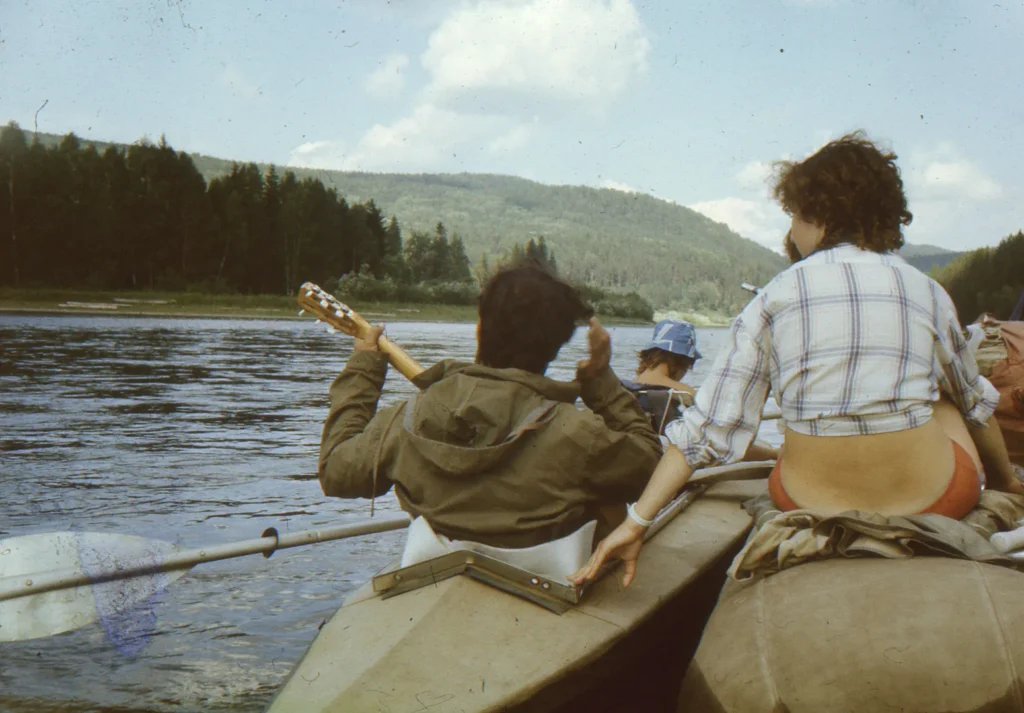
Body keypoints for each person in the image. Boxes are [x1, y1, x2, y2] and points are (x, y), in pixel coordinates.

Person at [572, 131, 1024, 587]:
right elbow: (977, 405)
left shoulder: (772, 298)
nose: (790, 232)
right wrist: (1007, 485)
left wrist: (637, 522)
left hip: (806, 500)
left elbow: (706, 431)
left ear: (819, 214)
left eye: (793, 216)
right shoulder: (927, 290)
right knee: (947, 399)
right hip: (931, 499)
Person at [318, 260, 663, 551]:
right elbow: (651, 470)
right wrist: (601, 381)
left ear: (480, 327)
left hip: (441, 568)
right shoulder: (580, 434)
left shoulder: (406, 417)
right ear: (555, 346)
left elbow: (336, 473)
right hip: (545, 579)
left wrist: (364, 368)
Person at [622, 319, 779, 460]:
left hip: (639, 458)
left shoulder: (625, 390)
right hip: (674, 460)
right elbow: (721, 443)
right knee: (764, 447)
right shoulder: (686, 395)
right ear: (683, 361)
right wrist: (773, 453)